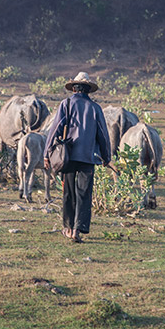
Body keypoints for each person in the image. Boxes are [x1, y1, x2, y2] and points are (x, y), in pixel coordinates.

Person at [44, 72, 111, 243]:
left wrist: (47, 153)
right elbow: (103, 135)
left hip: (67, 156)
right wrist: (106, 157)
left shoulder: (66, 104)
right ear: (88, 90)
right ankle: (76, 230)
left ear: (74, 88)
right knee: (84, 194)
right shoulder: (95, 108)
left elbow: (55, 129)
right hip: (88, 158)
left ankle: (66, 228)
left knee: (69, 193)